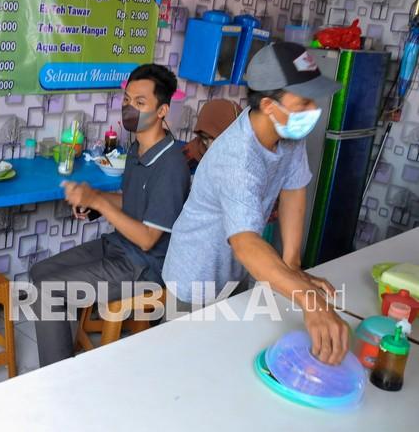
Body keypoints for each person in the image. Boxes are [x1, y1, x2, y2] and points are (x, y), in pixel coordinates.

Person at [163, 42, 350, 365]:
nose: (311, 111)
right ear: (269, 104)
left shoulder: (288, 134)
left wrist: (292, 264)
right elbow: (247, 243)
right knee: (186, 367)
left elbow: (294, 188)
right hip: (194, 277)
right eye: (302, 101)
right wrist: (311, 302)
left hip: (239, 270)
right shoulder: (238, 158)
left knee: (227, 358)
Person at [29, 64, 191, 367]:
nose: (130, 108)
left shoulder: (171, 165)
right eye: (127, 100)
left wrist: (100, 203)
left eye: (140, 103)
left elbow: (147, 239)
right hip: (119, 246)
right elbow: (131, 200)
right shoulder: (136, 148)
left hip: (146, 266)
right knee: (39, 274)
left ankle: (56, 379)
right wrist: (95, 202)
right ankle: (66, 354)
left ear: (162, 110)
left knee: (49, 291)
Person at [182, 98, 242, 171]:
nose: (208, 144)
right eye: (204, 137)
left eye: (213, 138)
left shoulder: (243, 164)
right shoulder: (190, 154)